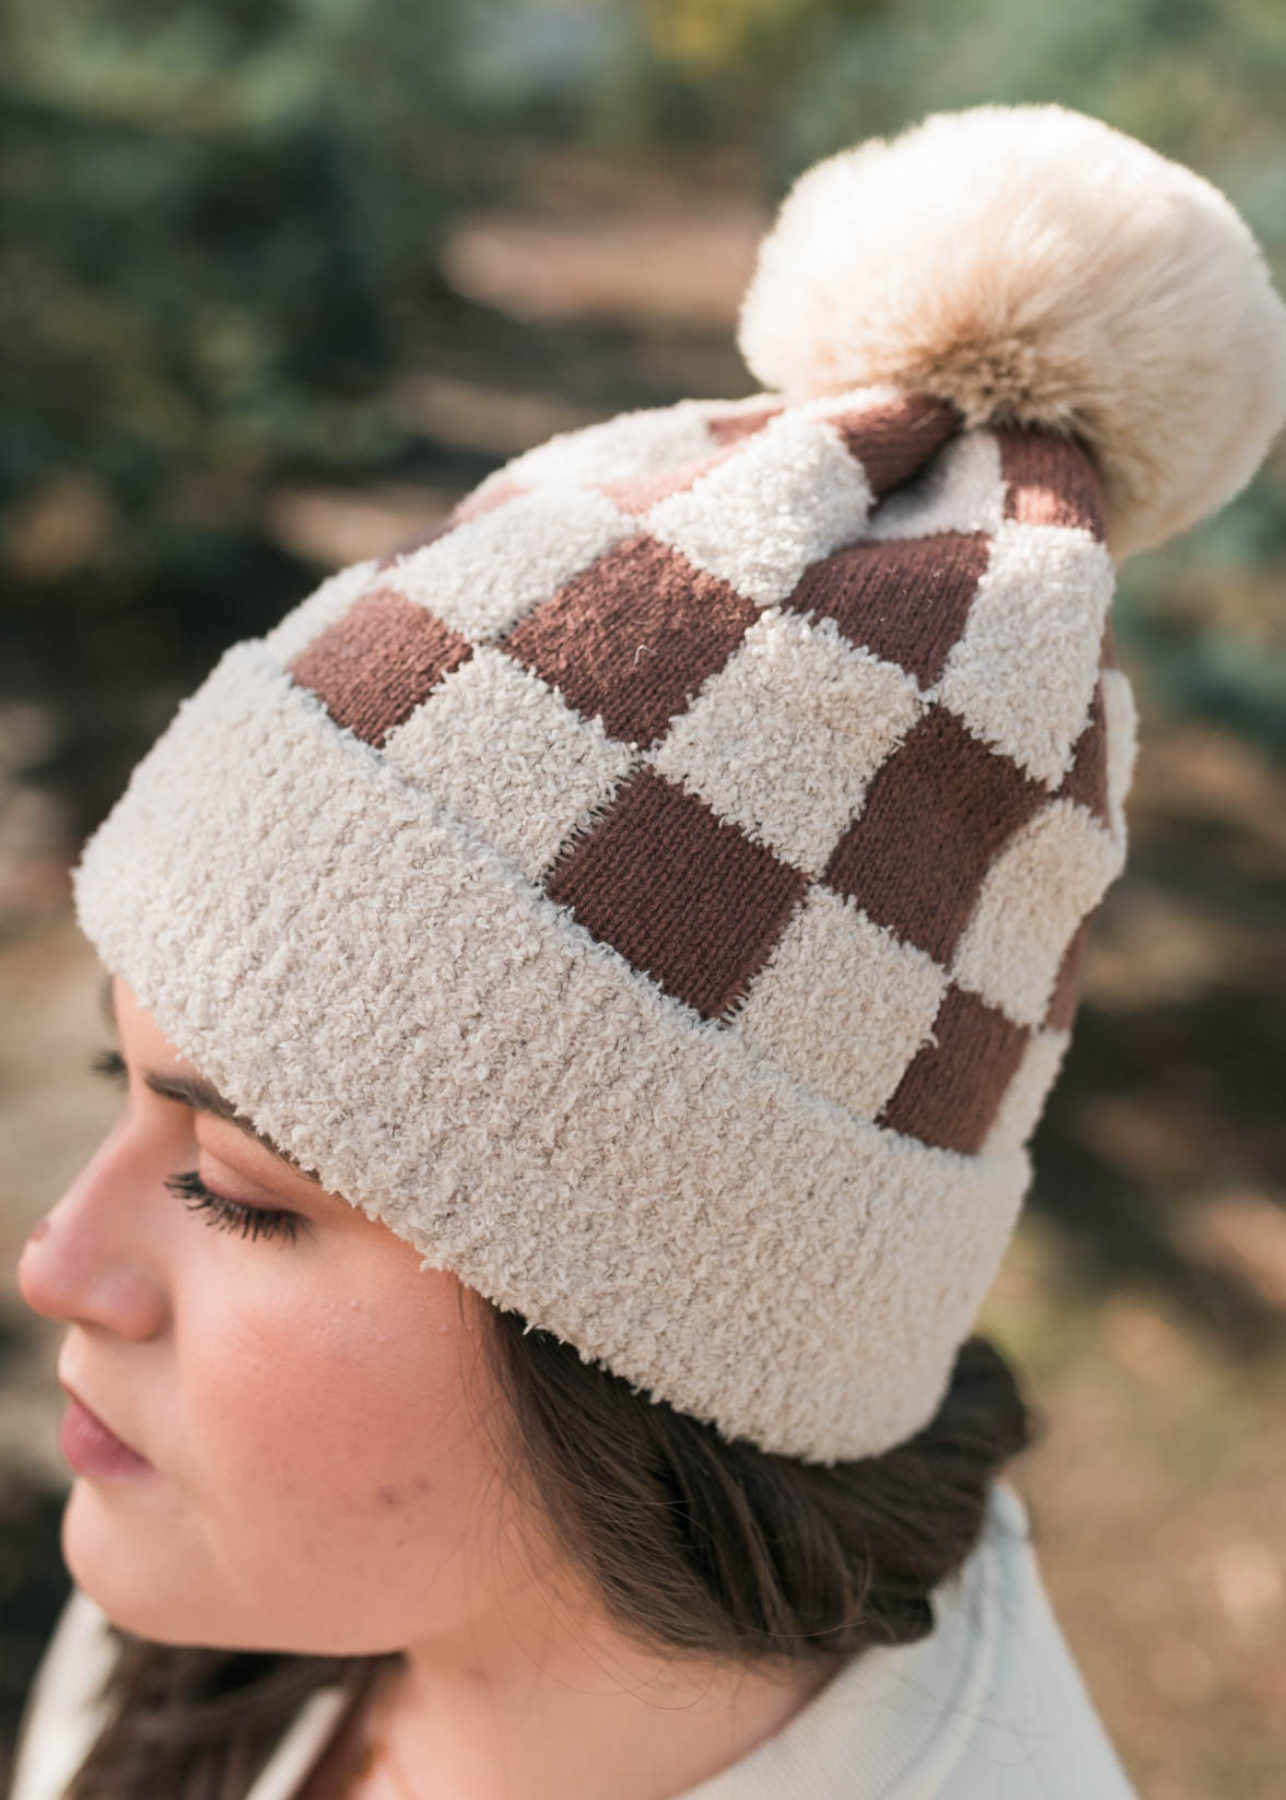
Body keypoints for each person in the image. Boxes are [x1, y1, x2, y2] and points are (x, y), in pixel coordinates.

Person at [9, 101, 1286, 1800]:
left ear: (664, 1342)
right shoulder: (221, 1605)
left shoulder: (243, 1543)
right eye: (128, 1084)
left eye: (239, 1186)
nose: (55, 1265)